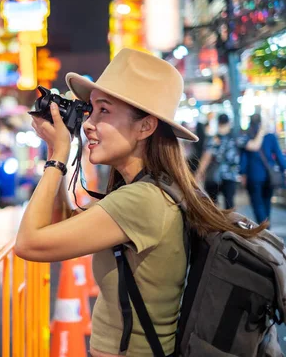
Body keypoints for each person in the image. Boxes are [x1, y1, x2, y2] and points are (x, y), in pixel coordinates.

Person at [15, 48, 263, 357]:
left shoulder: (141, 201)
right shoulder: (157, 188)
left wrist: (56, 158)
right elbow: (64, 226)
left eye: (104, 111)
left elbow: (28, 244)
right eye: (90, 110)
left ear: (145, 127)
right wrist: (59, 152)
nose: (89, 124)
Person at [239, 114, 286, 225]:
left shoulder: (247, 137)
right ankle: (266, 227)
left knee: (257, 204)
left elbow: (244, 158)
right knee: (266, 203)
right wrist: (284, 168)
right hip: (269, 176)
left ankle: (263, 227)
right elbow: (279, 155)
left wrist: (242, 173)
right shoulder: (270, 137)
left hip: (253, 176)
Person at [194, 113, 240, 209]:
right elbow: (252, 146)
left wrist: (198, 174)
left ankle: (216, 222)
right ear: (229, 122)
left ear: (218, 123)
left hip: (213, 176)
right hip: (230, 176)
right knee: (229, 204)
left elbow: (206, 157)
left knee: (212, 204)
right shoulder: (234, 139)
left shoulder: (213, 139)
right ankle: (229, 223)